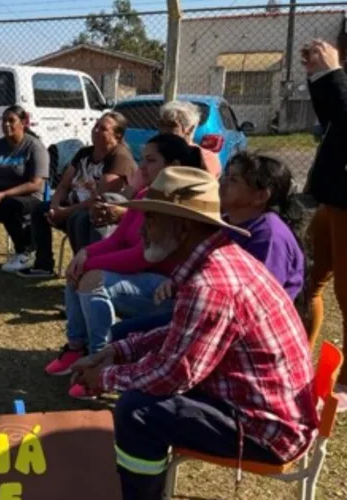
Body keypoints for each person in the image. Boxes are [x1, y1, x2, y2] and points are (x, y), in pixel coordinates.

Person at [70, 166, 317, 500]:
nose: (143, 229)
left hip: (267, 429)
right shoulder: (217, 261)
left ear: (183, 227)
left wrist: (105, 378)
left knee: (137, 411)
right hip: (263, 408)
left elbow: (173, 375)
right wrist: (118, 352)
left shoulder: (210, 284)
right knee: (139, 392)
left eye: (153, 219)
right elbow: (179, 334)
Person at [45, 134, 202, 398]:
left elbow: (143, 256)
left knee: (92, 280)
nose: (142, 167)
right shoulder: (144, 194)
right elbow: (118, 239)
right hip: (145, 281)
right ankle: (76, 347)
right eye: (142, 159)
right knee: (78, 273)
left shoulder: (174, 202)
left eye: (151, 161)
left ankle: (99, 362)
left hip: (168, 291)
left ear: (173, 164)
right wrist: (84, 253)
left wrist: (90, 263)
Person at [111, 152, 306, 342]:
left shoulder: (269, 236)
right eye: (226, 176)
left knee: (122, 333)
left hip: (240, 327)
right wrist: (176, 281)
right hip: (199, 300)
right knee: (119, 318)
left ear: (260, 196)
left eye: (234, 180)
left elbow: (258, 304)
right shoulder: (228, 221)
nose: (223, 182)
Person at [17, 112, 135, 278]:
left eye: (103, 129)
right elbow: (64, 184)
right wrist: (54, 206)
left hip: (99, 213)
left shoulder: (119, 157)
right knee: (39, 210)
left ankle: (82, 272)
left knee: (78, 218)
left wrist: (64, 212)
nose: (96, 131)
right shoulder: (84, 153)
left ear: (118, 135)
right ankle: (43, 265)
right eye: (96, 126)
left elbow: (100, 198)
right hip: (73, 205)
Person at [300, 38, 347, 408]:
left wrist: (332, 74)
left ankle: (346, 384)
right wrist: (321, 75)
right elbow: (335, 120)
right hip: (331, 200)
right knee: (308, 277)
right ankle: (298, 353)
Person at [0, 105, 49, 272]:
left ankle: (23, 254)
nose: (6, 124)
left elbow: (36, 183)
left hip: (29, 198)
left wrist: (3, 195)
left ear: (23, 123)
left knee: (9, 205)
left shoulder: (34, 147)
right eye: (4, 121)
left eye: (11, 121)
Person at [127, 100, 222, 191]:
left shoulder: (204, 157)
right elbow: (130, 191)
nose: (164, 130)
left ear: (190, 129)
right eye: (161, 124)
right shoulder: (154, 152)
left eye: (171, 125)